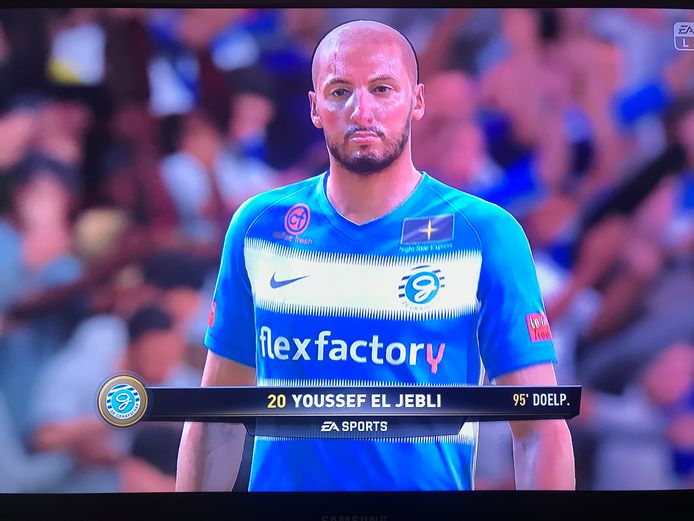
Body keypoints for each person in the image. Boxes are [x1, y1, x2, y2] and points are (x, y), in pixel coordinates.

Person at [176, 19, 575, 492]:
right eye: (340, 91)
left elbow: (540, 427)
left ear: (417, 101)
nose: (361, 110)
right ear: (315, 107)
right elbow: (217, 418)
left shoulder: (486, 233)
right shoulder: (258, 226)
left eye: (382, 89)